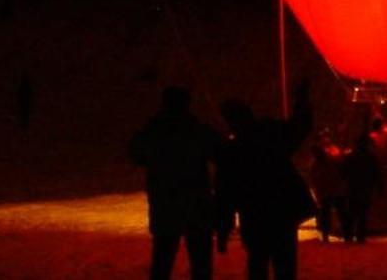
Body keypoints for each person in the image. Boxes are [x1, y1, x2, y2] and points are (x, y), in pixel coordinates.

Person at [216, 81, 315, 280]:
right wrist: (302, 101)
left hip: (254, 215)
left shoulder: (233, 151)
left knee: (257, 263)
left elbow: (225, 193)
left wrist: (223, 227)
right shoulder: (271, 135)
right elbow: (300, 127)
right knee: (284, 265)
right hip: (282, 211)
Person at [128, 86, 220, 280]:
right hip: (195, 204)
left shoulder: (155, 130)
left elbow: (137, 154)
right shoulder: (195, 129)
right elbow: (219, 152)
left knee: (163, 260)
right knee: (200, 262)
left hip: (165, 203)